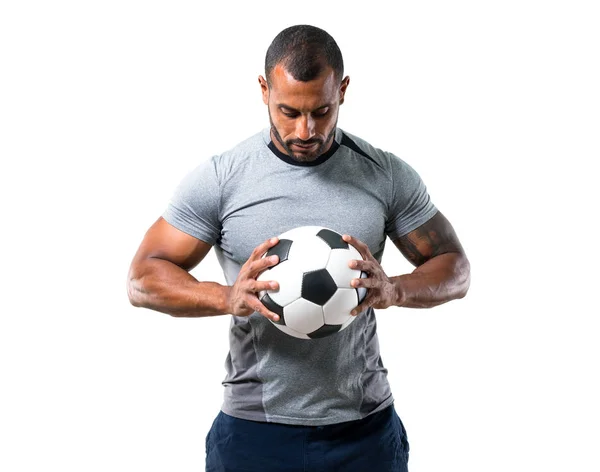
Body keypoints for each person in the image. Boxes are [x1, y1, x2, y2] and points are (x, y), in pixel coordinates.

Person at [127, 24, 470, 472]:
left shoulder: (384, 174)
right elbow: (143, 277)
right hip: (254, 431)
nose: (305, 129)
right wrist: (226, 297)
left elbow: (455, 267)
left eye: (321, 111)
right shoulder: (223, 178)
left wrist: (396, 290)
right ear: (263, 89)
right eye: (288, 111)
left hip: (363, 431)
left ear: (342, 91)